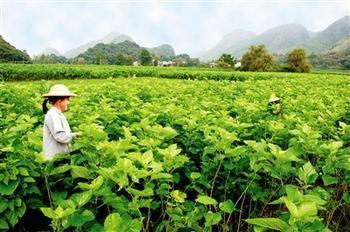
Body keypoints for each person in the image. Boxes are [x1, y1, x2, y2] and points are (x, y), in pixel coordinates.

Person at [42, 84, 81, 161]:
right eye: (67, 100)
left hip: (60, 157)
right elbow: (60, 136)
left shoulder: (57, 114)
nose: (68, 103)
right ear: (59, 101)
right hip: (55, 159)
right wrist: (75, 135)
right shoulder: (53, 115)